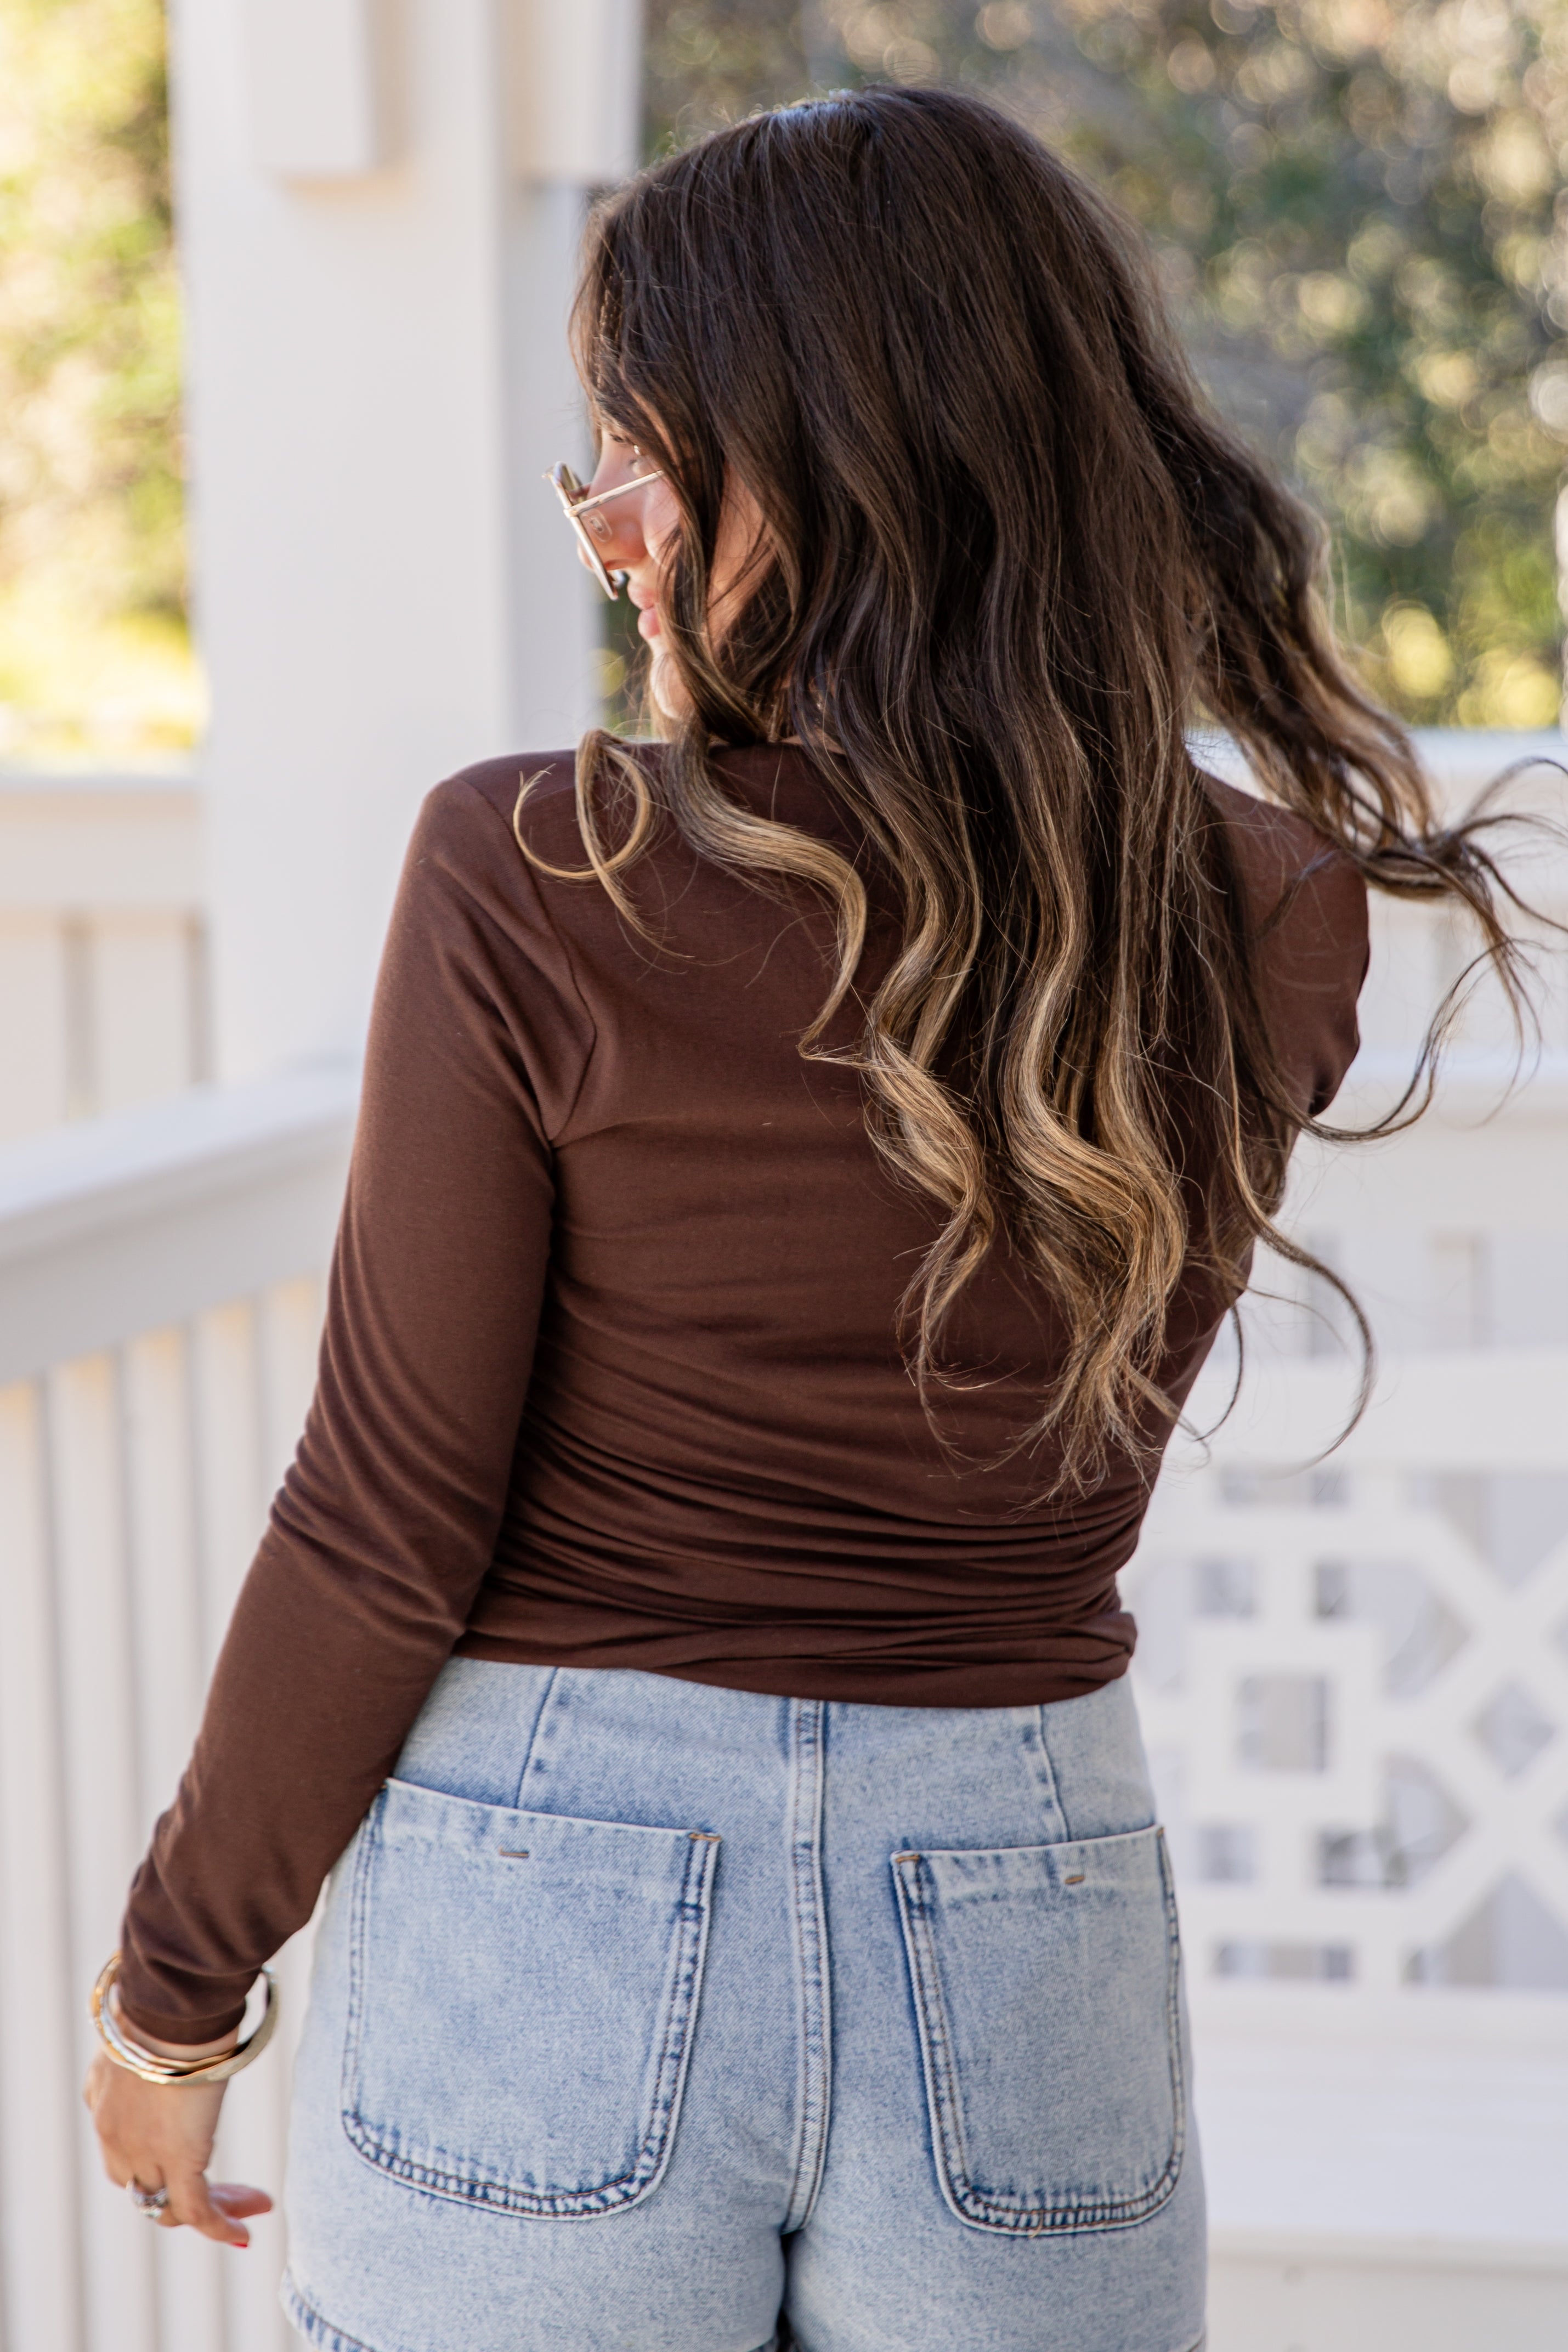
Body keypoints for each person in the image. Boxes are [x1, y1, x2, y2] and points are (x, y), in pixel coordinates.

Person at [85, 86, 1521, 2352]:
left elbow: (386, 1514)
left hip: (548, 1880)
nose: (617, 548)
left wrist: (176, 1991)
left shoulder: (533, 870)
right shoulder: (1269, 906)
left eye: (637, 470)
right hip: (1019, 1877)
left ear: (820, 470)